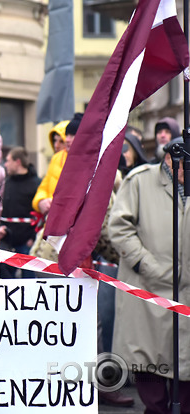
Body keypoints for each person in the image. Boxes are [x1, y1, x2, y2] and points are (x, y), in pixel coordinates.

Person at [109, 136, 190, 412]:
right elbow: (119, 229)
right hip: (148, 292)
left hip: (187, 295)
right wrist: (147, 265)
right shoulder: (139, 181)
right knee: (151, 368)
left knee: (187, 368)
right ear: (170, 158)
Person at [0, 146, 41, 259]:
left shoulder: (36, 184)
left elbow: (40, 215)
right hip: (7, 242)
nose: (5, 164)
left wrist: (33, 238)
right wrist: (1, 228)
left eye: (8, 160)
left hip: (28, 245)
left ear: (17, 162)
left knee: (29, 276)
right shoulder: (6, 184)